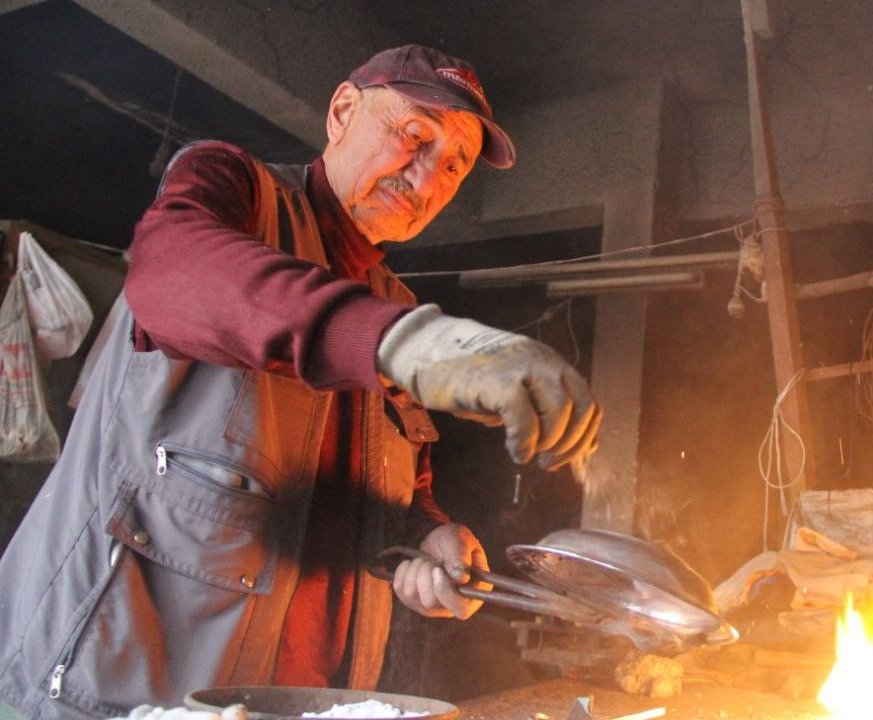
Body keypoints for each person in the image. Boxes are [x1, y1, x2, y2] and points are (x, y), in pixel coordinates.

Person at [0, 44, 600, 720]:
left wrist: (425, 532)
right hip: (110, 695)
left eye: (453, 164)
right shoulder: (237, 191)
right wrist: (406, 344)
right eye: (414, 136)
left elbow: (381, 484)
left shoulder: (393, 302)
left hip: (302, 701)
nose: (428, 177)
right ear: (343, 110)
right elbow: (170, 272)